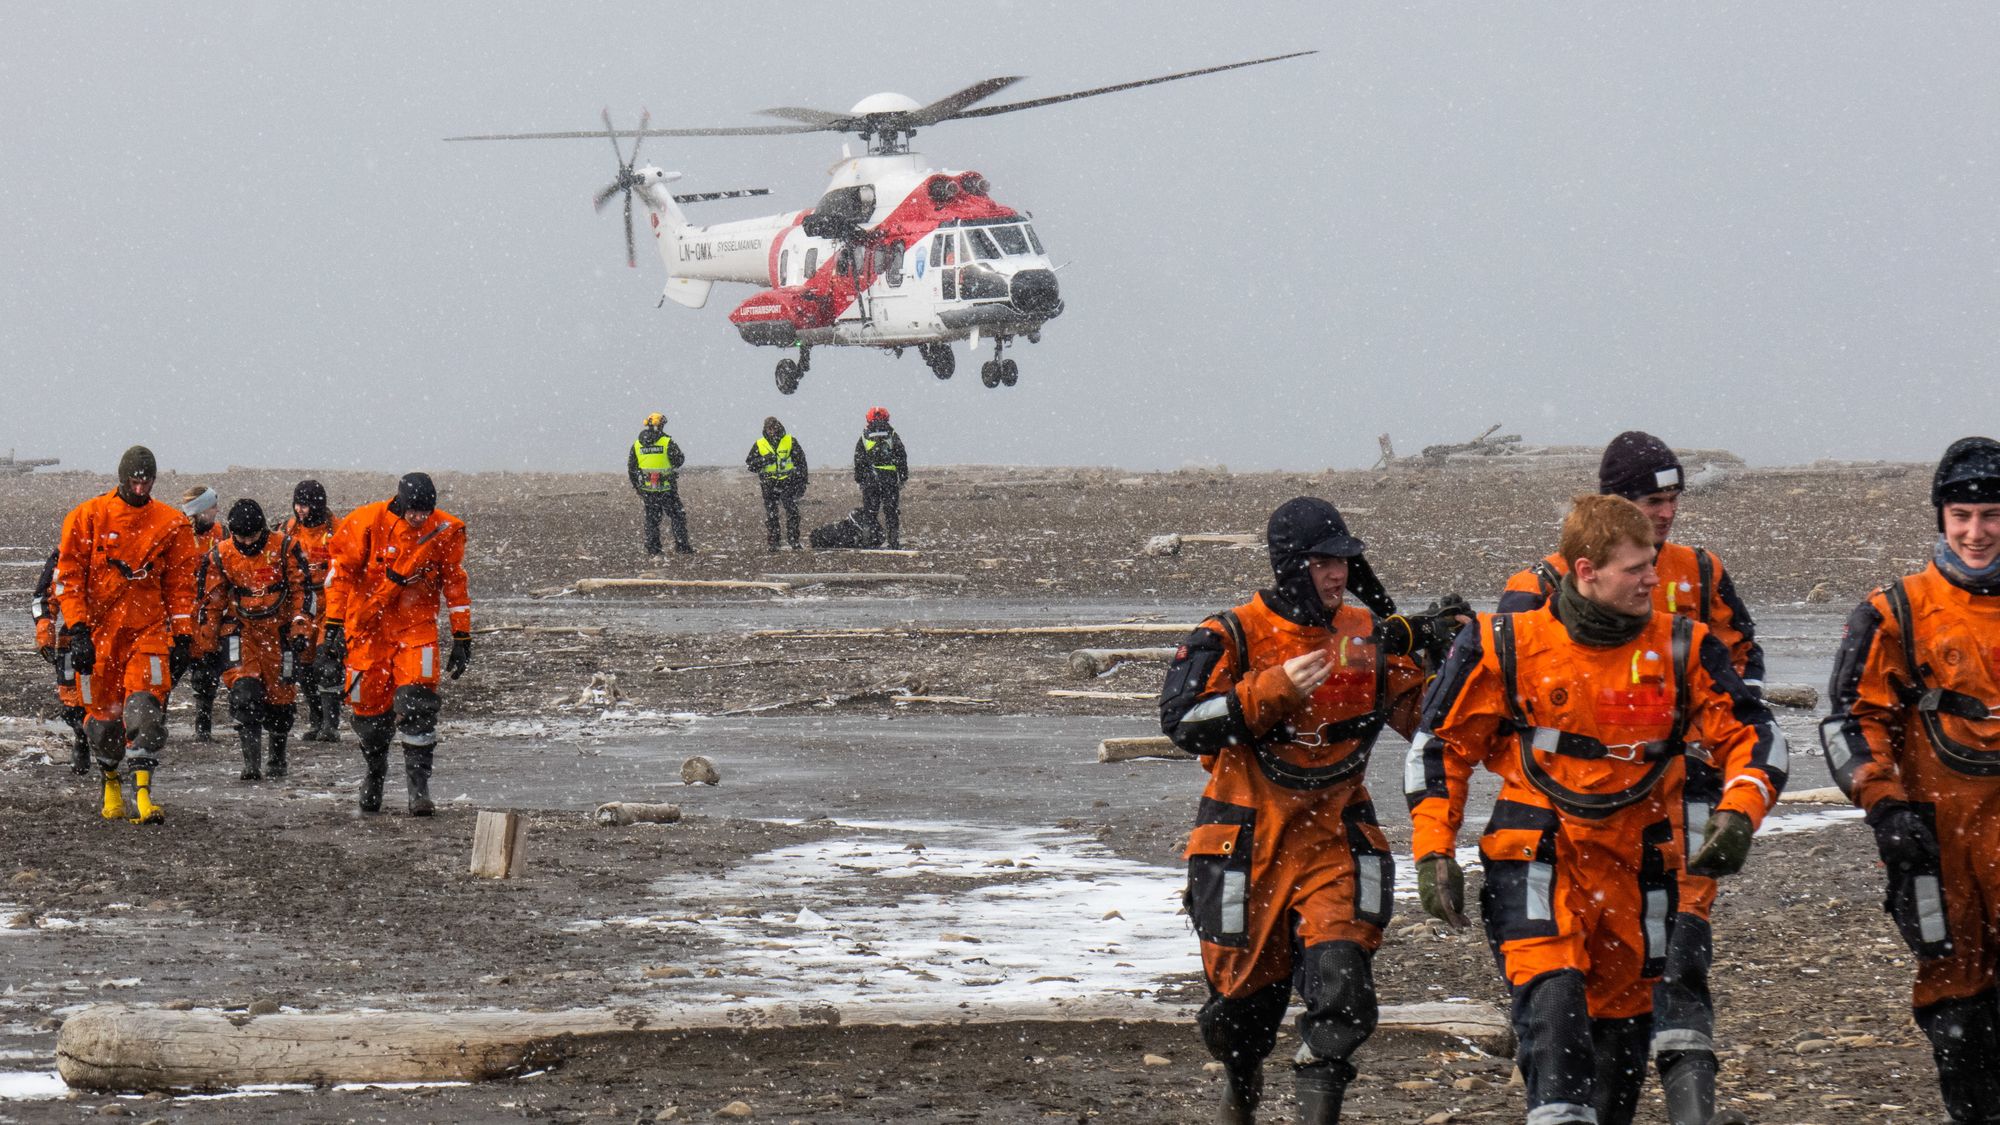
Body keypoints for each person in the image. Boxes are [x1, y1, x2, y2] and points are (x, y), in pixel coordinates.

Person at [1408, 493, 1786, 1125]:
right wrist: (1432, 852)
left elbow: (1757, 735)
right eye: (1637, 568)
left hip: (1639, 870)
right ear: (1586, 571)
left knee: (1617, 1057)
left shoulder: (1684, 648)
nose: (1652, 579)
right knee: (1556, 1022)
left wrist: (1740, 809)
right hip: (1536, 857)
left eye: (1654, 565)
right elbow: (1438, 750)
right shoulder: (1505, 641)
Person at [1159, 497, 1468, 1122]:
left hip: (1334, 840)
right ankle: (1240, 1085)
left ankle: (1318, 1093)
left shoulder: (1369, 637)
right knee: (1241, 1011)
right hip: (1244, 844)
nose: (1337, 575)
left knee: (1343, 987)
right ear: (1291, 565)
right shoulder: (1231, 635)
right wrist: (1272, 689)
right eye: (1324, 563)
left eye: (1345, 563)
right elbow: (1182, 723)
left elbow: (1436, 726)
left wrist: (1456, 660)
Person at [1495, 431, 1765, 1123]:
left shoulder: (1700, 572)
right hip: (1569, 821)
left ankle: (1683, 1103)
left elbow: (1743, 676)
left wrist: (1708, 753)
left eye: (1673, 498)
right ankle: (1565, 1086)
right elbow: (1513, 695)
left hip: (1686, 798)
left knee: (1682, 949)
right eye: (1651, 499)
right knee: (1568, 987)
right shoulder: (1537, 587)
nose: (1666, 513)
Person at [1823, 437, 2000, 1124]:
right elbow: (1849, 718)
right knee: (1958, 1019)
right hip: (1936, 847)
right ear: (1941, 519)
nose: (1976, 532)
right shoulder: (1896, 610)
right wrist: (1884, 805)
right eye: (1962, 516)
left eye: (1990, 515)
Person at [54, 445, 199, 824]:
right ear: (122, 478)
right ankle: (111, 783)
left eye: (146, 481)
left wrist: (183, 636)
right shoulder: (87, 517)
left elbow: (181, 586)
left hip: (147, 631)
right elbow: (69, 579)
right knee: (102, 720)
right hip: (100, 635)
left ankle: (145, 794)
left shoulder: (172, 524)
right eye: (134, 480)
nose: (140, 487)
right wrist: (79, 630)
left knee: (145, 710)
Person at [323, 472, 471, 815]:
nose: (420, 518)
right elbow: (340, 574)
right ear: (400, 502)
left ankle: (418, 788)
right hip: (367, 631)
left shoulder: (446, 530)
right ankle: (374, 771)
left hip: (415, 628)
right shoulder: (365, 522)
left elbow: (455, 583)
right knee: (369, 712)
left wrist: (462, 634)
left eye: (425, 512)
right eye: (414, 512)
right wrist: (332, 623)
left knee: (418, 701)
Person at [198, 499, 313, 781]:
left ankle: (277, 756)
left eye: (252, 536)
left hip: (280, 632)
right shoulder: (220, 555)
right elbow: (210, 602)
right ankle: (251, 764)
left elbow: (303, 590)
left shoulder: (286, 547)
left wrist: (301, 627)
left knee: (281, 701)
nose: (247, 542)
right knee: (244, 694)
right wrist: (207, 645)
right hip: (243, 631)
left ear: (262, 530)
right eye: (241, 537)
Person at [277, 480, 341, 742]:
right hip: (304, 604)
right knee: (304, 665)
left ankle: (331, 725)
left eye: (305, 505)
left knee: (327, 663)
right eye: (297, 504)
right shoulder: (288, 530)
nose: (300, 510)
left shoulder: (338, 530)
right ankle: (316, 720)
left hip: (331, 601)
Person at [30, 548, 89, 773]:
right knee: (72, 702)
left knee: (115, 698)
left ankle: (111, 749)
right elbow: (43, 597)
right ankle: (81, 738)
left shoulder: (124, 547)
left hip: (113, 637)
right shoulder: (66, 552)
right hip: (73, 636)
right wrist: (45, 633)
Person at [181, 485, 228, 742]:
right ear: (198, 511)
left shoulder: (224, 534)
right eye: (212, 507)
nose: (216, 511)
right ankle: (155, 723)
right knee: (170, 672)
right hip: (182, 613)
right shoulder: (178, 534)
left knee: (207, 673)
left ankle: (203, 725)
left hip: (211, 612)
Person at [628, 411, 692, 555]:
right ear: (661, 425)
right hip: (667, 488)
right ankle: (682, 547)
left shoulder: (637, 445)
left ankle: (653, 549)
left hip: (648, 489)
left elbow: (632, 468)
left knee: (652, 519)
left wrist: (637, 487)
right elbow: (679, 460)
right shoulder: (667, 442)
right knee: (677, 516)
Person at [746, 416, 808, 551]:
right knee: (772, 514)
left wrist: (802, 481)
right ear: (765, 429)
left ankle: (794, 540)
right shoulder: (759, 444)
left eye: (774, 428)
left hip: (788, 482)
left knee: (792, 511)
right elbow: (750, 465)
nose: (772, 431)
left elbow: (801, 462)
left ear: (778, 426)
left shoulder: (790, 441)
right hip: (768, 483)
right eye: (769, 429)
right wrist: (764, 460)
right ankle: (774, 542)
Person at [853, 407, 908, 549]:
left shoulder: (864, 436)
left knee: (870, 512)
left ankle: (868, 542)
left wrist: (859, 479)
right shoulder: (892, 434)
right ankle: (893, 542)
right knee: (891, 511)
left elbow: (859, 459)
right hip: (889, 479)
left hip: (870, 480)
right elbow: (901, 456)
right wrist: (902, 476)